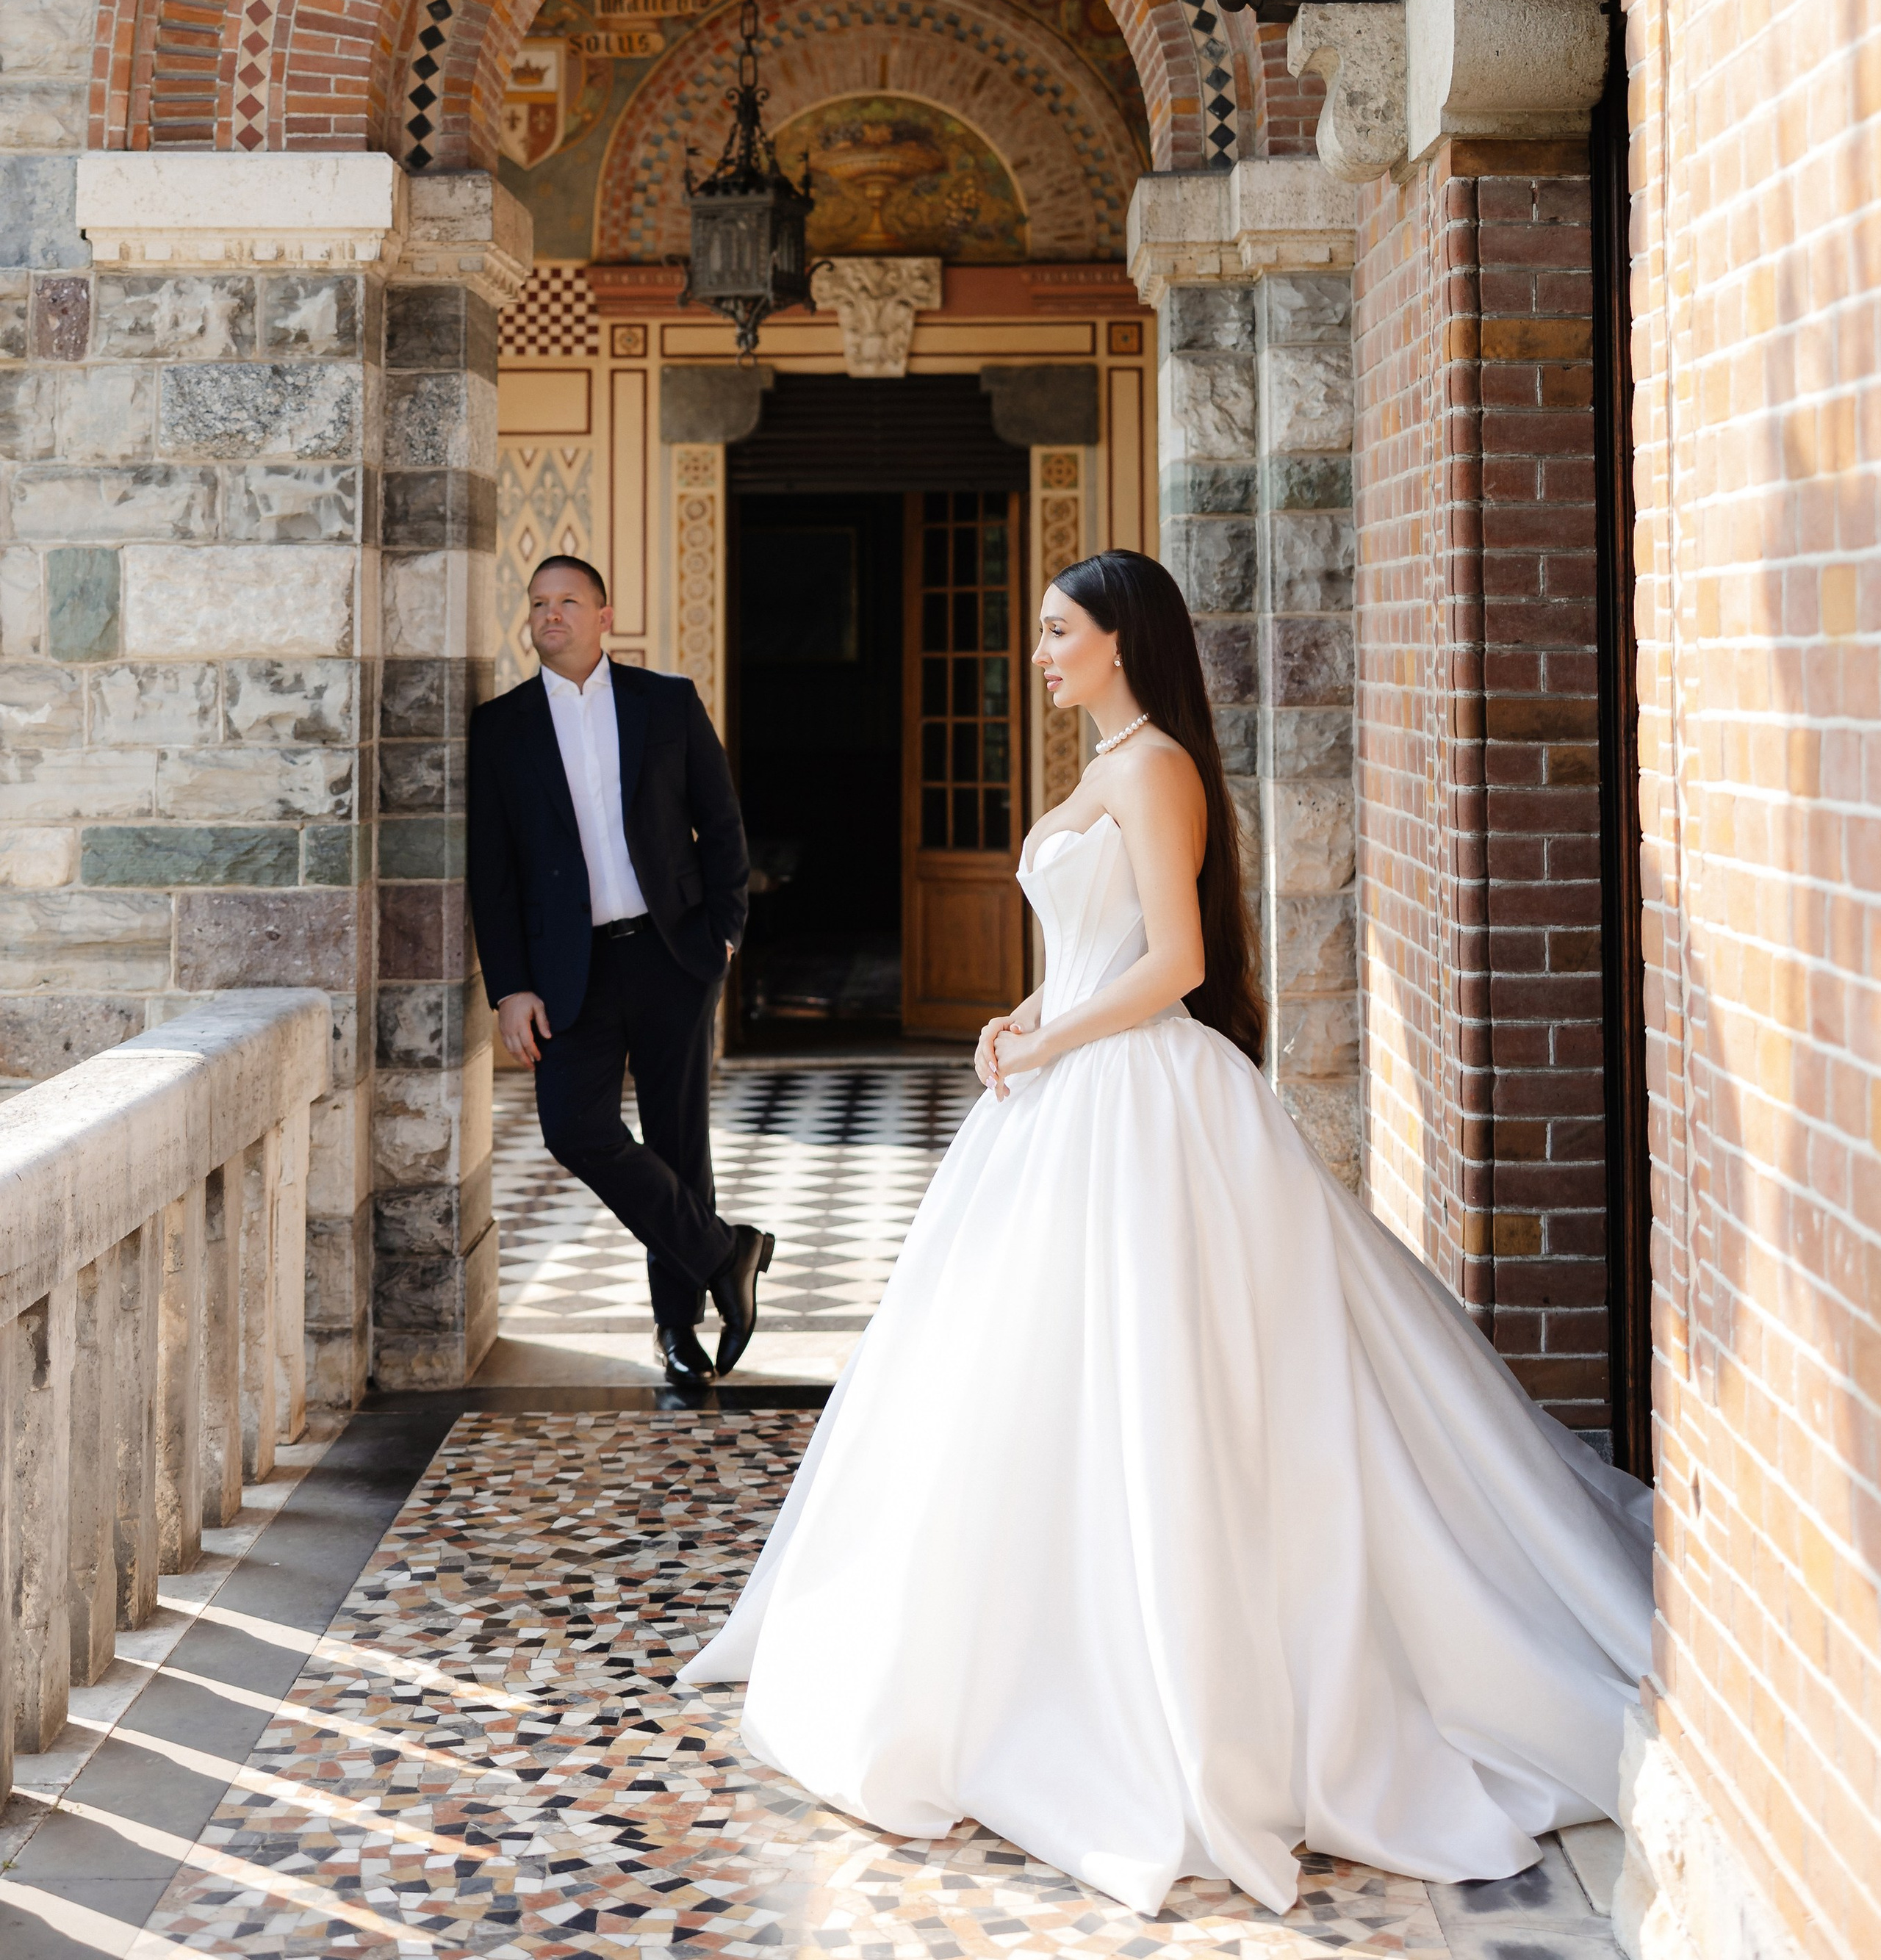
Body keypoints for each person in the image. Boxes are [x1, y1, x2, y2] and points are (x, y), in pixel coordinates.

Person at [683, 548, 1655, 1918]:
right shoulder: (1114, 761)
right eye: (1037, 631)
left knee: (1168, 1381)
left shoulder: (1155, 768)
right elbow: (1099, 936)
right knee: (1022, 1381)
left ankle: (1169, 1685)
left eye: (1058, 630)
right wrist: (1027, 1014)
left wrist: (1058, 1030)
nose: (1039, 651)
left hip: (1139, 1093)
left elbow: (1177, 963)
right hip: (1069, 1082)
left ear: (1122, 641)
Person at [467, 554, 772, 1397]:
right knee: (574, 1129)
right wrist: (510, 986)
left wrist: (724, 937)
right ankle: (724, 1253)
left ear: (605, 614)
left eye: (567, 601)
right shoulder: (502, 728)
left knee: (680, 1142)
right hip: (570, 972)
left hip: (674, 954)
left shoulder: (664, 703)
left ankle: (677, 1331)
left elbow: (722, 822)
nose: (550, 615)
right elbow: (491, 875)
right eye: (538, 604)